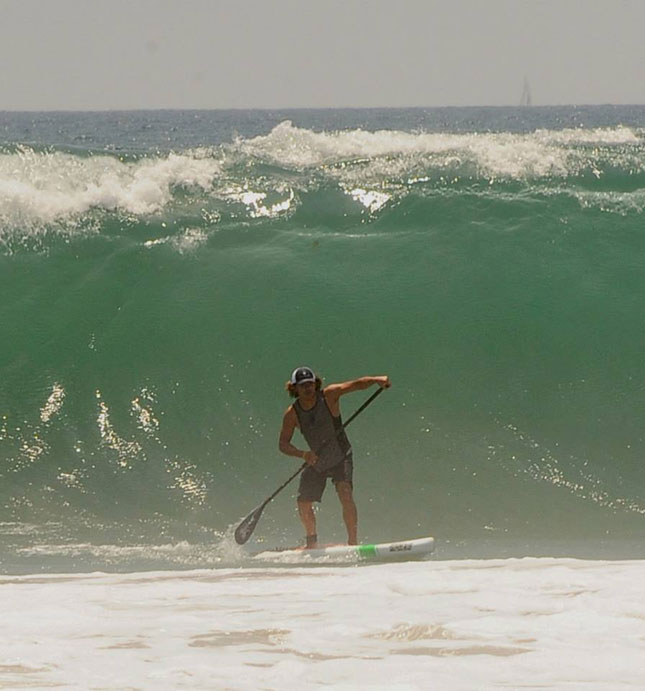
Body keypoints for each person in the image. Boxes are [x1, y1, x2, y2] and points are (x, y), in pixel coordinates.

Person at [278, 366, 391, 549]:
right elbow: (283, 444)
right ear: (294, 388)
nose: (308, 388)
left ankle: (353, 542)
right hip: (316, 460)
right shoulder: (292, 414)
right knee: (303, 502)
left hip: (340, 455)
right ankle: (311, 543)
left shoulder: (329, 395)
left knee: (344, 491)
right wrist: (303, 454)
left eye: (311, 384)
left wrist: (377, 379)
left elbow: (356, 385)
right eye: (303, 385)